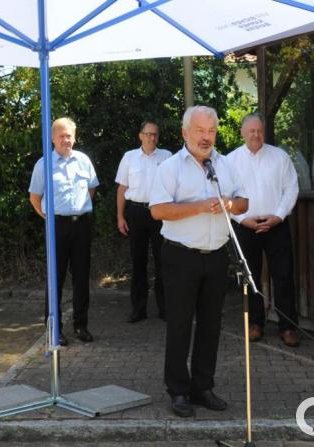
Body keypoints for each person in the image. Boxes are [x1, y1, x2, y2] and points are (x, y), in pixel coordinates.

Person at [150, 106, 248, 417]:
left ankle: (203, 386)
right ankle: (178, 390)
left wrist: (230, 204)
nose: (207, 138)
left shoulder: (225, 164)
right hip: (181, 256)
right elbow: (158, 210)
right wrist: (201, 207)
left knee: (211, 324)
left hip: (216, 255)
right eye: (200, 131)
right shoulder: (169, 168)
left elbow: (244, 202)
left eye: (211, 132)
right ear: (185, 133)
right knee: (179, 324)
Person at [227, 113, 300, 347]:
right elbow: (224, 198)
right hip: (245, 227)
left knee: (284, 276)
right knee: (250, 278)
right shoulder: (230, 161)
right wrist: (240, 218)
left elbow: (291, 189)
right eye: (251, 131)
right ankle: (255, 324)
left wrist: (278, 216)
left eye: (259, 130)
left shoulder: (280, 157)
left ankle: (288, 327)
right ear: (242, 132)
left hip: (276, 225)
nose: (256, 135)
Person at [29, 117, 99, 345]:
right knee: (55, 279)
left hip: (81, 226)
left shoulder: (83, 161)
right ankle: (55, 330)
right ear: (52, 138)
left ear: (74, 136)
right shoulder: (44, 164)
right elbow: (35, 198)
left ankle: (81, 326)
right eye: (61, 135)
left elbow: (91, 189)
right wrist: (49, 218)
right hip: (57, 227)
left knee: (81, 278)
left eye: (69, 135)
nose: (65, 140)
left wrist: (77, 211)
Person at [115, 120, 171, 323]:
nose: (151, 138)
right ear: (140, 136)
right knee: (138, 262)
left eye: (155, 134)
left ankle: (165, 308)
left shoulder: (167, 157)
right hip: (136, 213)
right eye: (148, 134)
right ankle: (138, 309)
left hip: (159, 212)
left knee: (162, 261)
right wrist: (120, 216)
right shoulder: (129, 158)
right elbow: (122, 189)